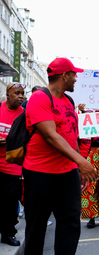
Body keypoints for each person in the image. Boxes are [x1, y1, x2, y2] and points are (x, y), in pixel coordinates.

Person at [23, 58, 97, 255]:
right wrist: (81, 161)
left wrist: (77, 166)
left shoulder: (69, 101)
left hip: (67, 173)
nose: (76, 78)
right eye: (74, 74)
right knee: (36, 227)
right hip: (40, 173)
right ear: (64, 75)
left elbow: (72, 136)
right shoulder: (40, 97)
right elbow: (50, 135)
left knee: (71, 224)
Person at [0, 83, 25, 246]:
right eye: (17, 93)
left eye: (23, 93)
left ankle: (8, 233)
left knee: (10, 203)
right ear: (8, 95)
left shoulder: (24, 114)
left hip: (13, 165)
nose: (21, 96)